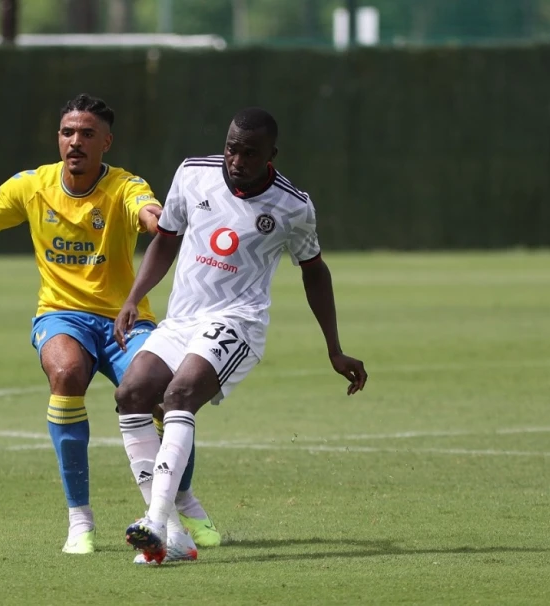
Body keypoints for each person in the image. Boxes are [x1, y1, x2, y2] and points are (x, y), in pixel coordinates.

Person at [0, 94, 220, 555]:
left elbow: (150, 214)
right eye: (68, 132)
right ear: (58, 139)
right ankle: (80, 521)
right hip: (61, 315)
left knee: (161, 394)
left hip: (125, 319)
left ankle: (181, 500)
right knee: (66, 375)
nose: (76, 141)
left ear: (106, 142)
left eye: (88, 134)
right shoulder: (31, 186)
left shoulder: (126, 185)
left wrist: (161, 221)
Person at [112, 107, 368, 564]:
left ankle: (153, 520)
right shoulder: (192, 174)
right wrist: (135, 296)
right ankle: (171, 533)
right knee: (131, 393)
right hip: (183, 318)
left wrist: (334, 347)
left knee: (180, 394)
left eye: (249, 152)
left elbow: (314, 273)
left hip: (238, 320)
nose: (236, 159)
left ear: (271, 154)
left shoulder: (293, 206)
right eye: (232, 147)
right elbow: (166, 239)